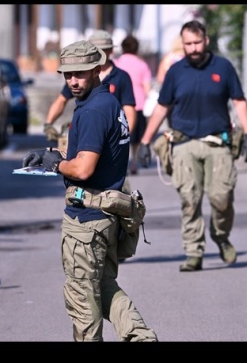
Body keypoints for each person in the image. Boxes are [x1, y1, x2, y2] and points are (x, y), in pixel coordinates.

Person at [23, 40, 158, 342]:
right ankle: (141, 337)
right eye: (67, 74)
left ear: (97, 69)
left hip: (86, 221)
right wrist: (51, 153)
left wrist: (56, 165)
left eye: (80, 73)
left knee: (82, 301)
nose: (72, 80)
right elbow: (90, 150)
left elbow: (83, 168)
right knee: (104, 285)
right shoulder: (107, 102)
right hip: (107, 216)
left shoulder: (94, 110)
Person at [137, 20, 247, 272]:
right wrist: (146, 141)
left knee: (222, 198)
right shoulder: (176, 70)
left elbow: (239, 100)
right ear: (183, 43)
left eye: (197, 42)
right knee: (189, 200)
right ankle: (193, 252)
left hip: (218, 144)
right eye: (187, 43)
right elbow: (161, 106)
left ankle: (221, 236)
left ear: (206, 41)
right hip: (184, 145)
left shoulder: (223, 67)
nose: (192, 48)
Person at [44, 30, 137, 142]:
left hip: (110, 132)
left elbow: (129, 110)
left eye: (103, 49)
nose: (99, 52)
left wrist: (124, 138)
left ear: (111, 50)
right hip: (85, 128)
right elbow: (61, 100)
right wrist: (48, 124)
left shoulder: (121, 77)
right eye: (96, 49)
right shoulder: (76, 77)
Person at [114, 34, 152, 175]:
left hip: (120, 104)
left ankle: (120, 161)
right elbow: (147, 88)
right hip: (138, 104)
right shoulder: (142, 65)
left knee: (120, 136)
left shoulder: (117, 63)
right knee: (136, 138)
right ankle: (134, 162)